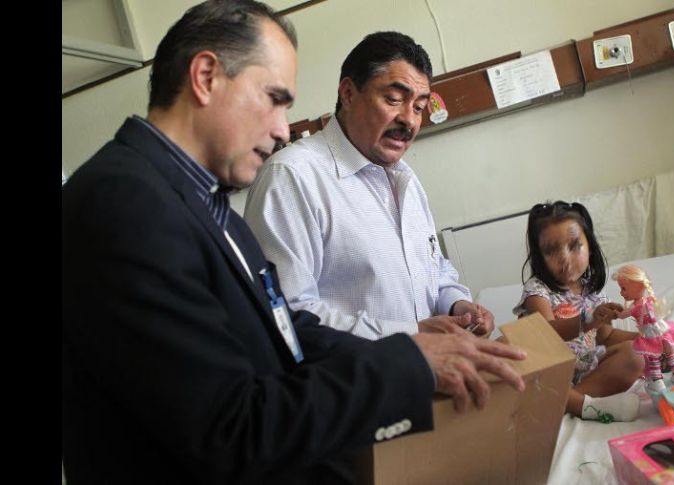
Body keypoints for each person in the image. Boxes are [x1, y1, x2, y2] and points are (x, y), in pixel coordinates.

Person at [62, 2, 527, 484]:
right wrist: (407, 361)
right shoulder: (125, 204)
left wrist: (415, 347)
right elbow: (230, 429)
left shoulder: (206, 204)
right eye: (274, 99)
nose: (284, 129)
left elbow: (285, 331)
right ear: (205, 77)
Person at [243, 31, 494, 341]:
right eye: (394, 99)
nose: (409, 121)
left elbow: (432, 269)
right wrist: (410, 335)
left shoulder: (406, 181)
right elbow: (290, 314)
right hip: (352, 384)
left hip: (428, 374)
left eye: (418, 107)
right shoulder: (292, 178)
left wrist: (456, 305)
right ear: (348, 94)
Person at [513, 201, 645, 422]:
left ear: (590, 246)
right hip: (548, 374)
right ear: (539, 257)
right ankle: (586, 406)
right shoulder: (537, 290)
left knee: (636, 355)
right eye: (551, 250)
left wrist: (647, 339)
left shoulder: (593, 293)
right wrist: (586, 321)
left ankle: (572, 403)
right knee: (511, 360)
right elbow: (545, 334)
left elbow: (606, 337)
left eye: (574, 246)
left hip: (585, 374)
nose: (564, 258)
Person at [612, 264, 674, 394]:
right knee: (670, 351)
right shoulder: (649, 300)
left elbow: (621, 316)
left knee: (653, 356)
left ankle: (657, 381)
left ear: (638, 287)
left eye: (623, 289)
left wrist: (615, 313)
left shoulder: (634, 307)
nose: (621, 293)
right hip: (662, 329)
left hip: (650, 334)